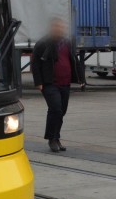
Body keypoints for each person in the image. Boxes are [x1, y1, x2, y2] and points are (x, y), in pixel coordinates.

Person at [31, 17, 84, 153]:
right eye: (56, 27)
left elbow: (75, 60)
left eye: (61, 27)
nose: (59, 29)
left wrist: (80, 78)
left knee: (62, 111)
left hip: (65, 83)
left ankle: (56, 136)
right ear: (51, 28)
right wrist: (38, 82)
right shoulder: (43, 43)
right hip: (50, 83)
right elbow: (35, 63)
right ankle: (51, 139)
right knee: (55, 108)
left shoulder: (67, 42)